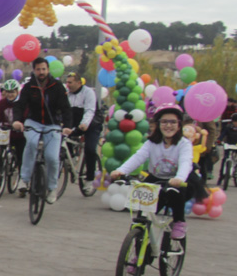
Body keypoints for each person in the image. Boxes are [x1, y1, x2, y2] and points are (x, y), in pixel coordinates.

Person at [110, 105, 197, 240]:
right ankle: (139, 249)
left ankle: (179, 221)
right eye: (164, 122)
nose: (168, 126)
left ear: (179, 125)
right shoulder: (152, 142)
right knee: (142, 216)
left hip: (178, 180)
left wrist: (179, 178)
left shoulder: (183, 143)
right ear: (158, 124)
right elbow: (138, 157)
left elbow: (186, 162)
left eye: (173, 122)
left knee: (176, 192)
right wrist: (121, 170)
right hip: (156, 179)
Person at [12, 57, 70, 203]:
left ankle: (51, 188)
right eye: (38, 69)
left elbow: (66, 108)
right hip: (34, 123)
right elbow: (20, 105)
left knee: (52, 157)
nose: (41, 72)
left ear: (48, 70)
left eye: (44, 69)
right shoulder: (29, 86)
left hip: (53, 125)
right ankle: (24, 180)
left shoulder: (57, 86)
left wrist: (68, 126)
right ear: (34, 70)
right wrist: (17, 121)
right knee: (31, 144)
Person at [63, 72, 100, 193]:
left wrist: (84, 125)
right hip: (75, 123)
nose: (67, 85)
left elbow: (90, 111)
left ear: (79, 83)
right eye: (67, 82)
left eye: (70, 82)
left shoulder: (88, 92)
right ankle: (71, 157)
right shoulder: (67, 95)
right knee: (62, 137)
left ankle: (90, 179)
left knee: (90, 149)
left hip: (91, 124)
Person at [0, 78, 26, 177]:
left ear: (17, 91)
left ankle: (22, 176)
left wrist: (22, 125)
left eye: (12, 92)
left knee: (21, 154)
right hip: (6, 132)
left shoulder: (23, 103)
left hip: (19, 134)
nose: (10, 94)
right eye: (8, 92)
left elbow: (26, 116)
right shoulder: (2, 103)